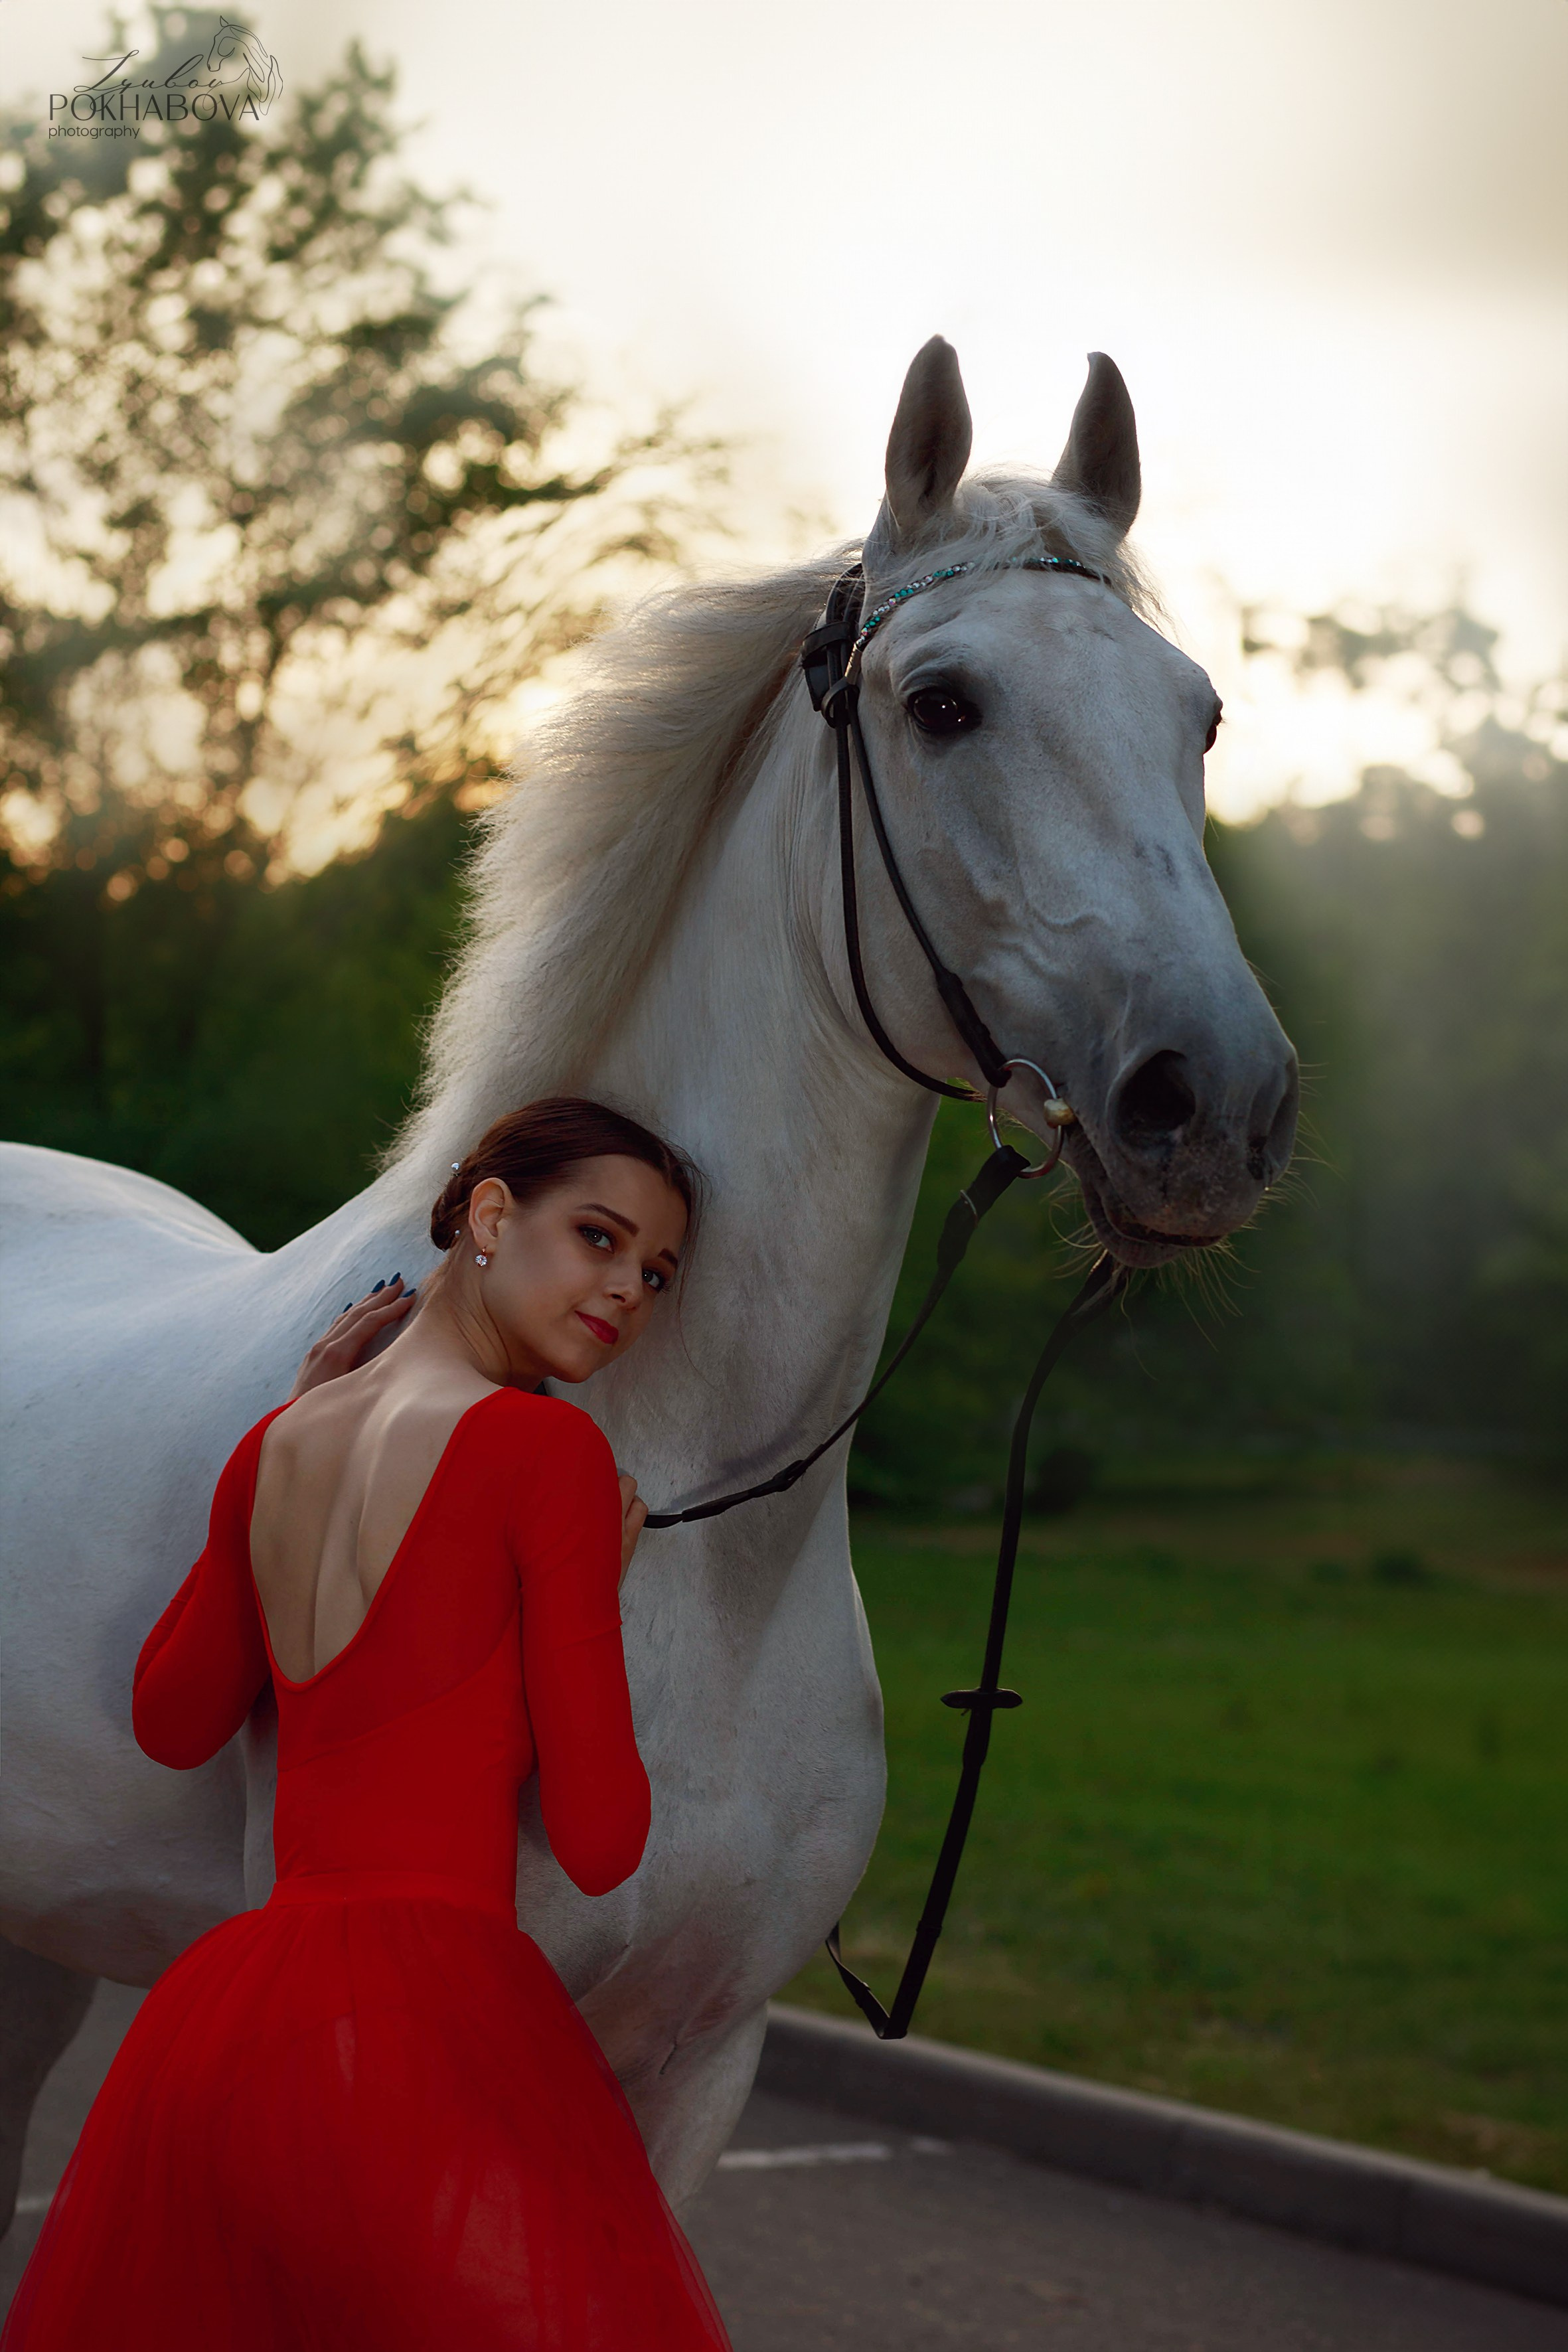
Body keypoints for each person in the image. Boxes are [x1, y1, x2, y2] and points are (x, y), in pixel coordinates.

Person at [3, 1097, 732, 2351]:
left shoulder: (281, 1442)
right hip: (427, 2025)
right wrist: (589, 1597)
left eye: (656, 1272)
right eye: (599, 1238)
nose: (627, 1293)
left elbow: (173, 1719)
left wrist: (279, 1440)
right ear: (491, 1215)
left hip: (238, 2025)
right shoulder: (541, 1459)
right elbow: (601, 1839)